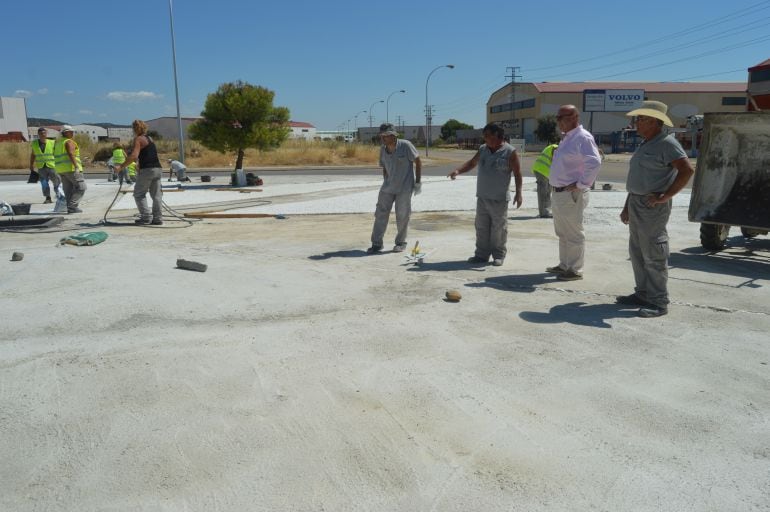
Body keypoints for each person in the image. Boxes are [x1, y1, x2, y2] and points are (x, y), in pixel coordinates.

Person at [617, 100, 694, 318]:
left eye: (641, 119)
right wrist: (627, 207)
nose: (636, 123)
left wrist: (666, 196)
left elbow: (687, 170)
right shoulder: (646, 143)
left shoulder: (667, 143)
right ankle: (643, 293)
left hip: (652, 206)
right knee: (638, 252)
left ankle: (659, 302)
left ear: (655, 122)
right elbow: (638, 180)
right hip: (636, 203)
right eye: (637, 118)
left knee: (654, 253)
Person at [448, 123, 522, 266]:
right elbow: (472, 163)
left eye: (488, 136)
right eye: (485, 136)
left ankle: (498, 255)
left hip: (499, 198)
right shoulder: (483, 149)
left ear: (497, 135)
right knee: (481, 227)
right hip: (482, 197)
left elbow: (518, 174)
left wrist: (518, 193)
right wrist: (458, 171)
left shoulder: (510, 152)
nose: (485, 138)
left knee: (498, 229)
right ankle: (481, 255)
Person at [546, 105, 602, 280]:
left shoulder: (582, 138)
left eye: (560, 118)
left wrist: (581, 184)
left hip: (571, 194)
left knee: (574, 233)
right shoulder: (567, 138)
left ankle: (575, 269)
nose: (558, 122)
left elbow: (594, 162)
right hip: (559, 193)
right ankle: (565, 265)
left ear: (573, 117)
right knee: (563, 232)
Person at [367, 123, 421, 253]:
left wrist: (418, 182)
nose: (383, 138)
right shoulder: (382, 149)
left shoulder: (406, 145)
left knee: (402, 215)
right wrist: (386, 180)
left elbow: (418, 161)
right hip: (388, 187)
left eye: (385, 136)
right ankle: (377, 243)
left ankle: (401, 242)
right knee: (380, 213)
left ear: (393, 135)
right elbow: (384, 166)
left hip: (404, 187)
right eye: (381, 136)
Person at [115, 120, 164, 225]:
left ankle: (146, 217)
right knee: (156, 195)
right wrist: (139, 165)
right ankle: (158, 218)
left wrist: (121, 166)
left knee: (139, 194)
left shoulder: (138, 139)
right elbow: (149, 154)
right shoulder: (150, 138)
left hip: (147, 170)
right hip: (157, 168)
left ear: (135, 129)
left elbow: (134, 156)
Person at [53, 125, 87, 213]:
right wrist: (76, 166)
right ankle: (72, 206)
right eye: (71, 131)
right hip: (71, 168)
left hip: (61, 170)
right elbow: (71, 154)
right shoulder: (69, 142)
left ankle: (69, 207)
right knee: (81, 187)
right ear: (66, 132)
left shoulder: (58, 143)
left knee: (67, 189)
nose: (73, 133)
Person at [29, 127, 62, 204]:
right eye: (41, 133)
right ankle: (48, 198)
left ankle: (59, 196)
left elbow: (57, 153)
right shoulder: (34, 143)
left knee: (57, 181)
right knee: (44, 183)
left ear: (46, 134)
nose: (43, 135)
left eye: (44, 133)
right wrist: (31, 164)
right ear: (38, 134)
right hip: (41, 167)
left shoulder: (52, 142)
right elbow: (33, 155)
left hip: (52, 166)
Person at [531, 143, 557, 218]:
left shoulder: (555, 148)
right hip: (541, 170)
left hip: (545, 171)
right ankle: (543, 213)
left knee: (548, 191)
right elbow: (555, 160)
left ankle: (546, 211)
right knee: (543, 192)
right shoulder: (555, 148)